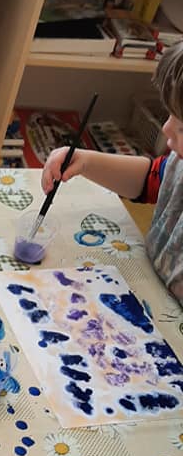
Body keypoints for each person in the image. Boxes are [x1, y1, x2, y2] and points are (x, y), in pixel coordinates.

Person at [41, 41, 183, 302]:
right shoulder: (180, 163)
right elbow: (153, 180)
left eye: (182, 126)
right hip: (151, 289)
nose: (166, 128)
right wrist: (87, 161)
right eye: (170, 114)